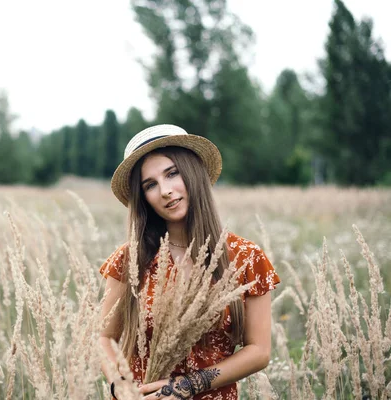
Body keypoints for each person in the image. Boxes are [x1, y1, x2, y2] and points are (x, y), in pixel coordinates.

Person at [99, 124, 280, 400]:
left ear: (193, 173)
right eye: (150, 185)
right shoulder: (130, 259)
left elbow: (259, 351)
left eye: (172, 173)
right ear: (144, 198)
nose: (165, 191)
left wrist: (188, 386)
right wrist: (120, 386)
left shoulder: (245, 257)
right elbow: (104, 338)